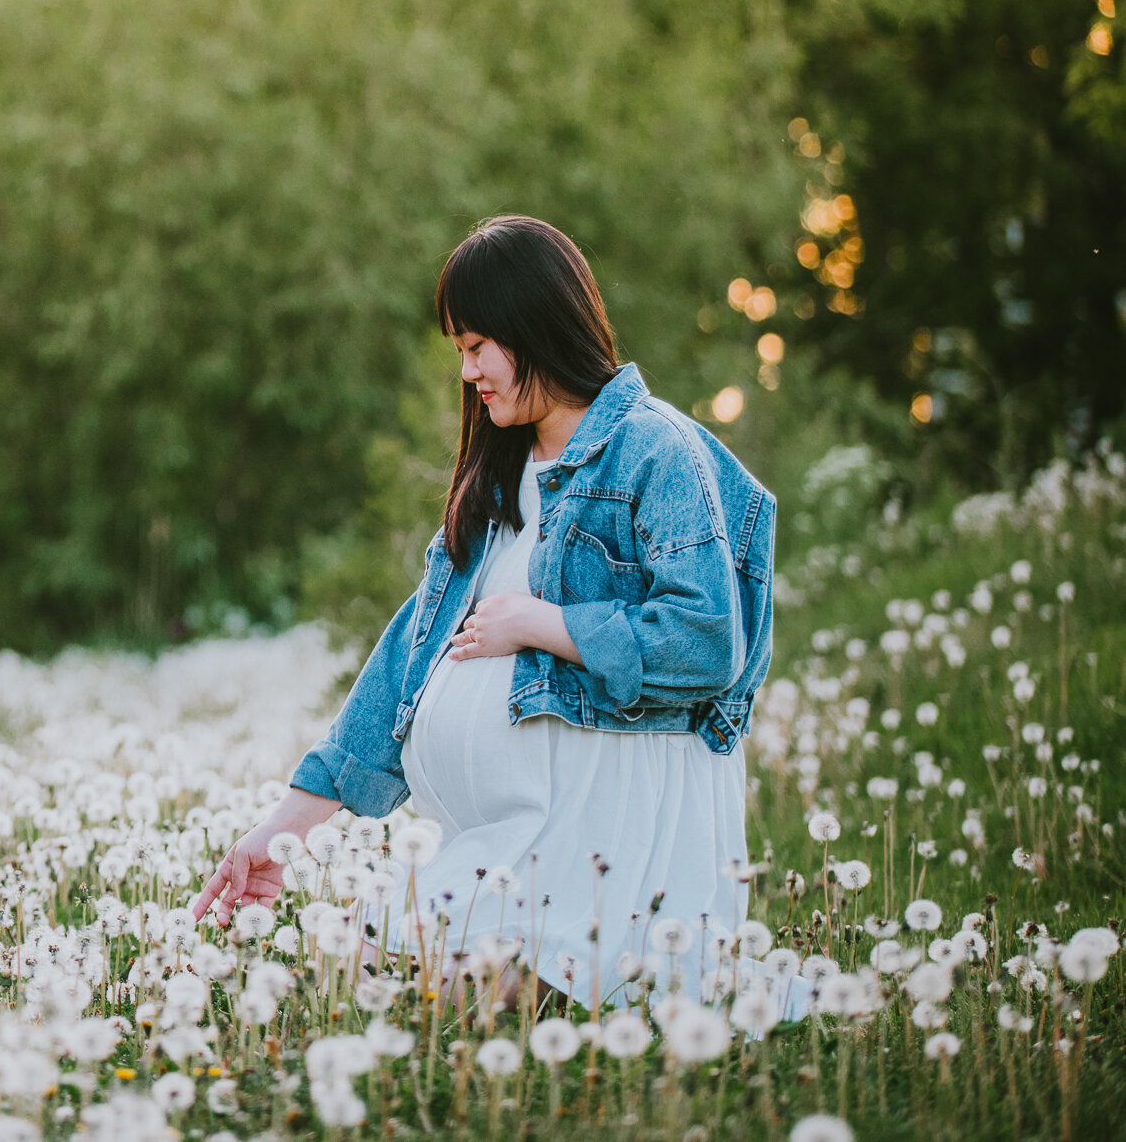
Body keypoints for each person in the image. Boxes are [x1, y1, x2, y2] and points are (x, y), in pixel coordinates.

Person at [191, 215, 778, 1008]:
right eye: (461, 351)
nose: (467, 371)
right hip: (504, 843)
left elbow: (708, 642)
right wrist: (286, 824)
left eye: (476, 347)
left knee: (466, 1003)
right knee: (351, 984)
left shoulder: (655, 450)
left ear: (532, 326)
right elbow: (410, 657)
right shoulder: (503, 470)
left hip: (610, 851)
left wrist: (543, 625)